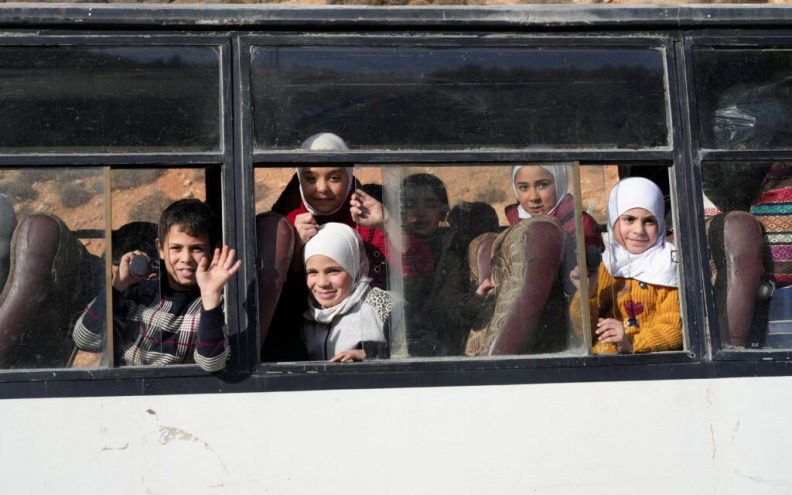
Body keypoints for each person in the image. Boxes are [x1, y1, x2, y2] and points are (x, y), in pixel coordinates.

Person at [73, 199, 242, 372]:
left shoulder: (212, 307)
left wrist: (210, 295)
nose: (185, 258)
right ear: (160, 249)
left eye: (197, 248)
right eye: (176, 248)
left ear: (214, 250)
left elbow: (212, 363)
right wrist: (117, 287)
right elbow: (84, 339)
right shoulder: (136, 294)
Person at [286, 132, 432, 287]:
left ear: (349, 178)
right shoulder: (290, 226)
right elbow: (276, 290)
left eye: (334, 177)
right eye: (311, 179)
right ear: (299, 180)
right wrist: (296, 247)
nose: (322, 188)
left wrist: (387, 223)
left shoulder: (365, 221)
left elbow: (420, 268)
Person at [569, 177, 682, 354]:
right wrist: (587, 292)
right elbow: (580, 333)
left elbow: (675, 329)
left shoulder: (668, 263)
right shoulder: (600, 262)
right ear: (614, 218)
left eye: (649, 221)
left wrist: (631, 343)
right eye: (629, 219)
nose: (639, 230)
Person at [400, 173, 493, 356]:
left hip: (435, 341)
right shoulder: (386, 243)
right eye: (411, 205)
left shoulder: (449, 247)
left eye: (430, 205)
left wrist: (471, 303)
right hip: (394, 334)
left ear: (443, 211)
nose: (420, 213)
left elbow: (447, 299)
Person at [302, 223, 396, 362]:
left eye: (333, 271)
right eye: (312, 272)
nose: (322, 283)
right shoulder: (305, 316)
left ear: (356, 268)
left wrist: (369, 353)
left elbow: (422, 347)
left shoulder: (384, 304)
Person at [505, 163, 604, 251]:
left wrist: (561, 235)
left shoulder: (580, 224)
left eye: (542, 185)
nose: (533, 197)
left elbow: (586, 266)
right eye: (524, 187)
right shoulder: (516, 221)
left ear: (559, 183)